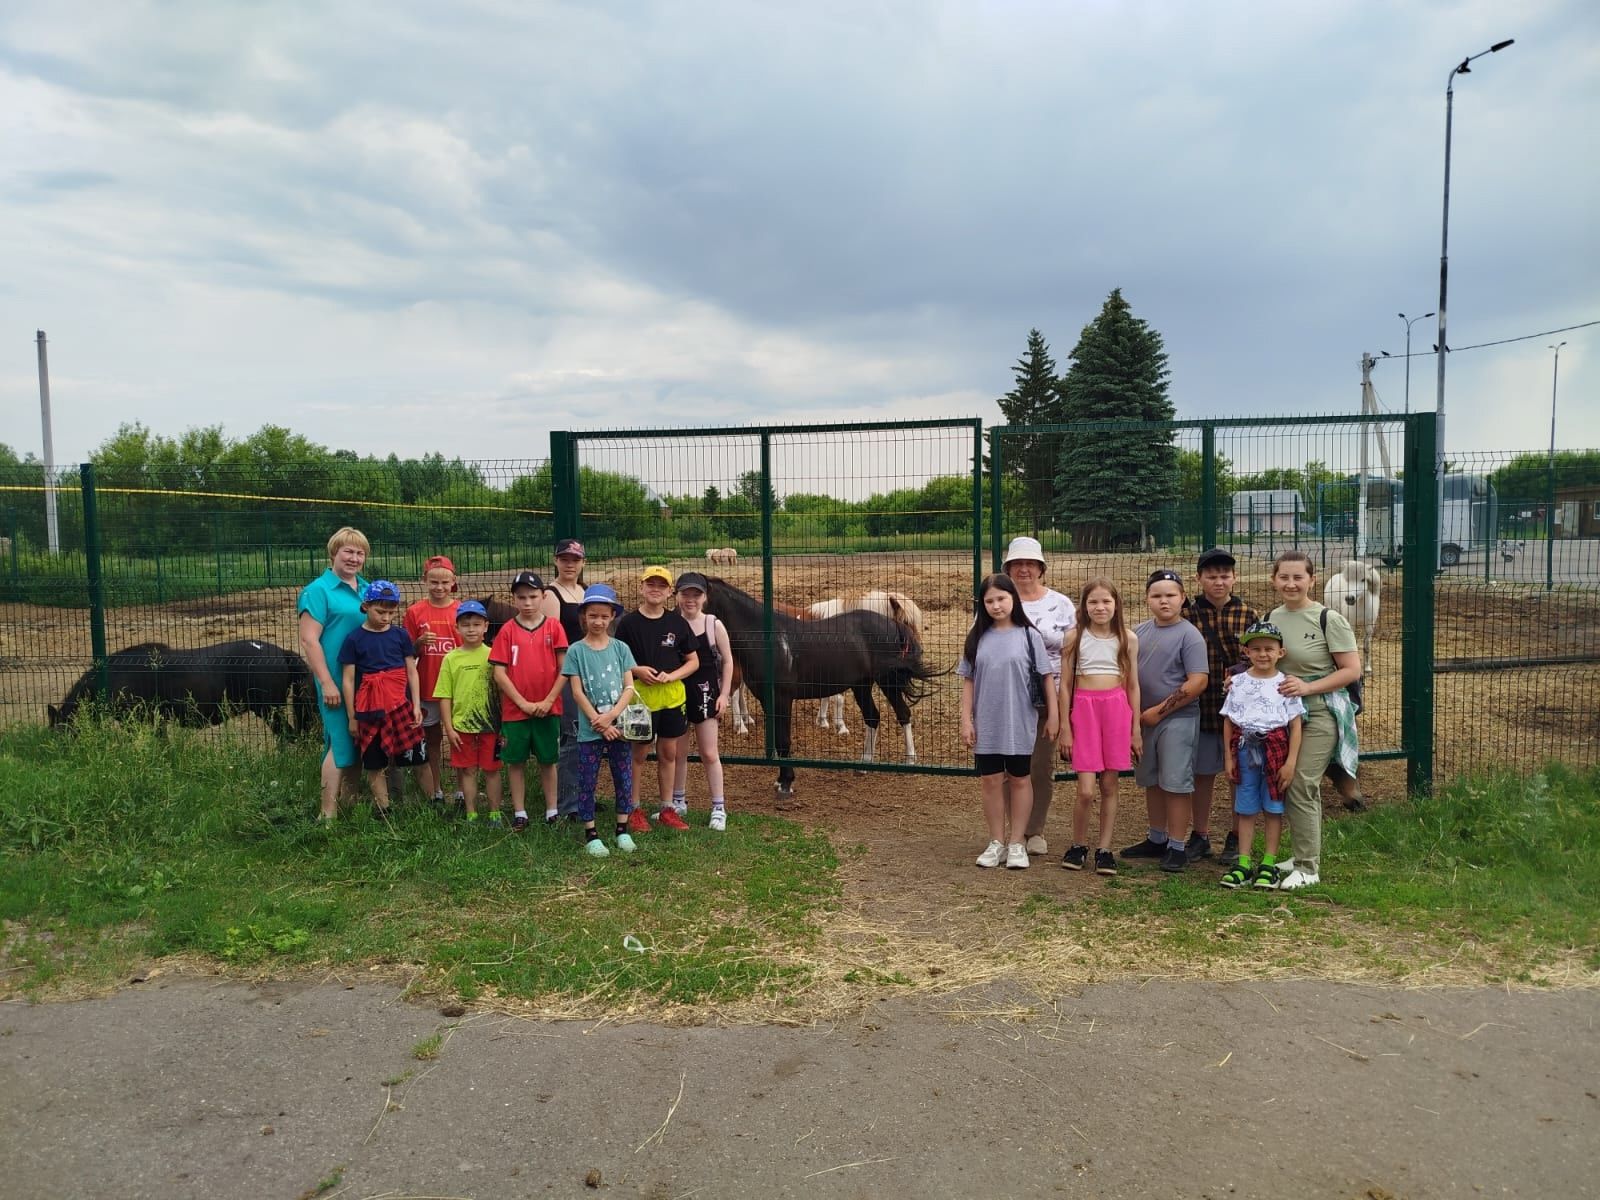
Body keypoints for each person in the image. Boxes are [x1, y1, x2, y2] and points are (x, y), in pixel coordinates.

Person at [1265, 550, 1362, 890]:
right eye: (1284, 577)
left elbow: (1351, 670)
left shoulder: (1328, 619)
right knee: (1293, 783)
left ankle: (1308, 867)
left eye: (1298, 577)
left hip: (1321, 710)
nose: (1291, 584)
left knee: (1301, 782)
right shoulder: (1271, 618)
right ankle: (1301, 855)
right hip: (1285, 714)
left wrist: (1308, 687)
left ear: (1312, 580)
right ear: (1274, 580)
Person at [959, 573, 1059, 870]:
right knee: (990, 780)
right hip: (987, 722)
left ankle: (1017, 842)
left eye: (1001, 598)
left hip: (1020, 721)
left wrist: (1054, 717)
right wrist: (966, 720)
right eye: (989, 601)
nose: (996, 605)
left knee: (1020, 779)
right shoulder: (976, 638)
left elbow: (1046, 678)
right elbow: (968, 681)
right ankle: (996, 842)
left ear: (1013, 598)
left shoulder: (1029, 636)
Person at [1121, 569, 1210, 873]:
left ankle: (1177, 845)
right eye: (1157, 595)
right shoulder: (1139, 633)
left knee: (1175, 782)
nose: (1164, 601)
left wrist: (1159, 711)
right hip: (1144, 720)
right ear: (1147, 599)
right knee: (1152, 779)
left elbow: (1197, 681)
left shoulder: (1189, 635)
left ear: (1182, 598)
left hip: (1177, 718)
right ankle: (1156, 837)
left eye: (1171, 595)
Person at [1055, 578, 1140, 876]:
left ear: (1116, 605)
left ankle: (1104, 849)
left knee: (1110, 784)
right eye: (1093, 601)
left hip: (1116, 711)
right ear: (1084, 606)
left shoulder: (1128, 638)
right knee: (1086, 790)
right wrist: (1065, 726)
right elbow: (1065, 686)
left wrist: (1135, 729)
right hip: (1085, 711)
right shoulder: (1073, 638)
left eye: (1106, 601)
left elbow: (1133, 685)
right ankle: (1078, 844)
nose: (1100, 607)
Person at [1182, 547, 1261, 866]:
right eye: (1212, 576)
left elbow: (1258, 655)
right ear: (1199, 579)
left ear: (1234, 578)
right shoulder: (1188, 616)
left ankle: (1235, 835)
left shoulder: (1248, 615)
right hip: (1201, 707)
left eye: (1225, 576)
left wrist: (1239, 673)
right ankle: (1200, 835)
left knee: (1237, 774)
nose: (1219, 582)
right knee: (1202, 773)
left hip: (1239, 711)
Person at [1001, 536, 1077, 857]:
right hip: (1008, 696)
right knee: (1010, 765)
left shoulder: (1061, 604)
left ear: (1041, 568)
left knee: (1041, 766)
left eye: (1030, 563)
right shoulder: (999, 600)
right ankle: (1014, 830)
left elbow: (1072, 653)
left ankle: (1035, 829)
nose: (1024, 569)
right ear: (1008, 568)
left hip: (1051, 697)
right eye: (1017, 563)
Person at [1218, 620, 1305, 889]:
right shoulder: (1238, 683)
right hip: (1245, 749)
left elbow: (1295, 725)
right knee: (1245, 807)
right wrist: (1229, 757)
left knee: (1273, 808)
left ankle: (1269, 863)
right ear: (1246, 652)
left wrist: (1290, 763)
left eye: (1269, 648)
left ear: (1281, 652)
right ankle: (1244, 863)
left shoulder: (1286, 685)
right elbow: (1229, 721)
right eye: (1256, 649)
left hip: (1275, 750)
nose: (1263, 654)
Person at [616, 566, 699, 832]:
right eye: (650, 584)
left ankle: (667, 808)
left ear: (669, 592)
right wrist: (637, 670)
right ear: (641, 587)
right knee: (638, 753)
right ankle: (633, 808)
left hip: (671, 698)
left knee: (668, 752)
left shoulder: (677, 623)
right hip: (639, 698)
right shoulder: (628, 624)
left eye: (661, 585)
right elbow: (618, 660)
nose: (655, 589)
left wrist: (672, 675)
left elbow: (693, 661)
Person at [561, 583, 641, 857]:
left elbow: (629, 687)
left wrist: (611, 717)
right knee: (587, 780)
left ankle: (622, 829)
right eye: (593, 615)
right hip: (590, 729)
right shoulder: (576, 651)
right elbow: (576, 691)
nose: (598, 621)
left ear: (612, 617)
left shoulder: (621, 649)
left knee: (623, 778)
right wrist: (598, 720)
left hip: (618, 728)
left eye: (604, 616)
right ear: (584, 616)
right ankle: (591, 833)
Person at [297, 527, 371, 821]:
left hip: (365, 679)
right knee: (339, 741)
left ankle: (350, 803)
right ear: (333, 554)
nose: (354, 558)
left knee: (358, 740)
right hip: (336, 679)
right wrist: (326, 681)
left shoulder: (366, 589)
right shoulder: (318, 591)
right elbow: (309, 640)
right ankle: (326, 814)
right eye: (348, 552)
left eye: (360, 553)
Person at [337, 580, 425, 818]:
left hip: (400, 704)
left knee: (411, 754)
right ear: (366, 606)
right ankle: (383, 809)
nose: (386, 617)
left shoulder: (401, 635)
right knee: (374, 759)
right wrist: (352, 716)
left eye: (391, 612)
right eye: (380, 612)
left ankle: (423, 801)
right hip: (370, 707)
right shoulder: (354, 639)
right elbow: (348, 680)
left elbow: (411, 671)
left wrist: (416, 706)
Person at [489, 571, 568, 832]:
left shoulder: (554, 627)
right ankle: (520, 812)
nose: (528, 602)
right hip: (515, 711)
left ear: (543, 596)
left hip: (548, 709)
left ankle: (552, 810)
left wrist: (549, 700)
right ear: (514, 598)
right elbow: (499, 673)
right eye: (521, 597)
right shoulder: (507, 631)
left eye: (533, 596)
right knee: (515, 761)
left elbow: (564, 669)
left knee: (548, 760)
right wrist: (522, 703)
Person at [669, 572, 735, 831]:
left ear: (705, 597)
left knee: (709, 752)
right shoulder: (671, 623)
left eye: (696, 594)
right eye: (685, 594)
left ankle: (718, 807)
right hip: (677, 693)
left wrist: (724, 694)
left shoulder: (712, 624)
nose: (690, 599)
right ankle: (678, 801)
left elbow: (728, 661)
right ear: (676, 596)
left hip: (706, 693)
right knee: (678, 752)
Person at [435, 600, 503, 823]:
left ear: (486, 627)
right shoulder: (450, 659)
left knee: (492, 770)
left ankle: (494, 813)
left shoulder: (494, 655)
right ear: (457, 628)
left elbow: (503, 692)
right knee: (468, 771)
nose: (471, 629)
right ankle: (471, 813)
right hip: (462, 726)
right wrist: (449, 728)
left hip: (490, 725)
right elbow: (445, 696)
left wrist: (504, 725)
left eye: (476, 624)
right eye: (465, 625)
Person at [403, 555, 461, 808]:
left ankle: (461, 791)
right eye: (434, 582)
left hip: (456, 688)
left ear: (453, 581)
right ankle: (435, 789)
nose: (439, 587)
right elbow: (406, 653)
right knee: (433, 740)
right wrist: (418, 643)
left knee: (459, 739)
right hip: (427, 686)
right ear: (424, 580)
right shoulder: (415, 611)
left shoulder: (461, 610)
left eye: (445, 582)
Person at [540, 538, 589, 820]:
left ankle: (584, 794)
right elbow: (552, 643)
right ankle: (568, 803)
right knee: (571, 735)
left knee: (589, 735)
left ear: (583, 563)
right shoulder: (551, 595)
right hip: (568, 674)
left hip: (590, 672)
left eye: (575, 560)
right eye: (565, 559)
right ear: (556, 561)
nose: (570, 564)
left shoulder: (585, 591)